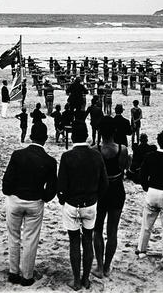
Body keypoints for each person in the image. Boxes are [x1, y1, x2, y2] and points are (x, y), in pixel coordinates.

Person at [2, 123, 57, 286]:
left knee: (14, 237)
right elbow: (53, 187)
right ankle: (27, 276)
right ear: (45, 139)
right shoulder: (50, 161)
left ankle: (13, 272)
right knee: (31, 239)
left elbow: (8, 179)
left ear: (31, 136)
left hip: (15, 199)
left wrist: (9, 192)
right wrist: (44, 198)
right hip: (35, 201)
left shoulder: (18, 155)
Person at [57, 122, 108, 290]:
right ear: (87, 135)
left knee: (74, 242)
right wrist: (95, 197)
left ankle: (76, 280)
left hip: (72, 203)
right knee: (88, 239)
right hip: (90, 204)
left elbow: (61, 185)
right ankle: (86, 278)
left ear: (72, 136)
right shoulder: (96, 156)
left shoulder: (67, 156)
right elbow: (104, 184)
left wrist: (63, 199)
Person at [92, 116, 129, 279]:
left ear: (99, 131)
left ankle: (99, 266)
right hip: (117, 188)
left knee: (97, 229)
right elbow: (123, 168)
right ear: (115, 130)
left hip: (101, 191)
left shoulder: (95, 150)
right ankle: (107, 267)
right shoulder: (123, 149)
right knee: (112, 231)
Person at [136, 131, 163, 260]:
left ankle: (141, 250)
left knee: (146, 224)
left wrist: (146, 187)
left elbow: (142, 175)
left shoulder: (149, 156)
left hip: (152, 191)